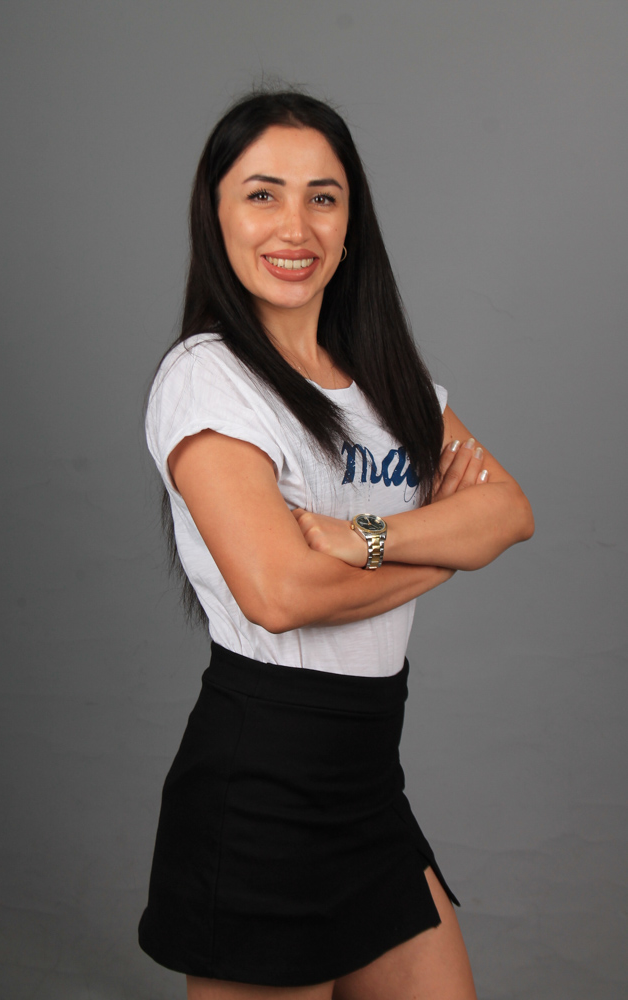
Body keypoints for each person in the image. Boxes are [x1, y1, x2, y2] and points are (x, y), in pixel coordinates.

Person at [138, 90, 534, 1000]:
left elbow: (508, 511)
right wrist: (445, 552)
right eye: (262, 194)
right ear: (216, 215)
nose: (296, 226)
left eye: (324, 196)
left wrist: (363, 540)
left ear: (352, 221)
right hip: (262, 787)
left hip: (368, 780)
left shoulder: (389, 380)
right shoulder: (209, 379)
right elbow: (279, 594)